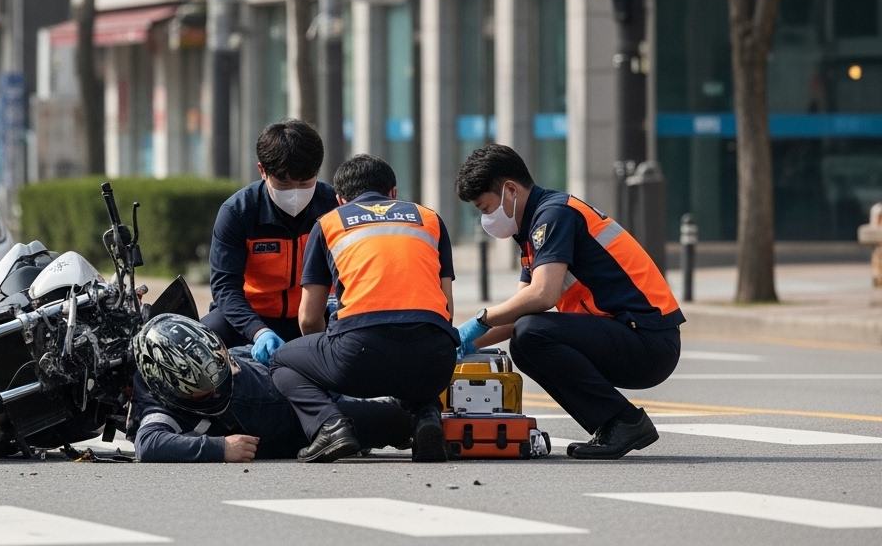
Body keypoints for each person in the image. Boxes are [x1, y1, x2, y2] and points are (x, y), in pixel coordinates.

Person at [453, 144, 683, 460]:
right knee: (524, 338)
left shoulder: (554, 215)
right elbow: (521, 308)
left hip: (648, 340)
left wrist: (477, 321)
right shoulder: (534, 226)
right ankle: (613, 423)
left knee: (531, 333)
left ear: (510, 189)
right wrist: (457, 344)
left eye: (485, 207)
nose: (486, 218)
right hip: (629, 336)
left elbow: (543, 295)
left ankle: (624, 421)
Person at [269, 154, 458, 464]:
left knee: (281, 361)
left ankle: (330, 426)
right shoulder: (430, 219)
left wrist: (329, 361)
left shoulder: (329, 224)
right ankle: (426, 418)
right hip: (435, 363)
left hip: (359, 359)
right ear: (394, 193)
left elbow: (308, 316)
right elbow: (446, 308)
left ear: (340, 199)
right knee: (418, 343)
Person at [128, 314, 413, 462]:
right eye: (206, 390)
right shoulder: (160, 406)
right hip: (300, 428)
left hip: (298, 383)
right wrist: (220, 448)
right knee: (399, 421)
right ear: (169, 389)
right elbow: (148, 445)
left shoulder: (213, 353)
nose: (218, 390)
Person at [204, 119, 337, 364]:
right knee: (200, 342)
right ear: (262, 170)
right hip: (252, 320)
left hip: (318, 317)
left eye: (305, 183)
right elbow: (225, 287)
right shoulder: (238, 212)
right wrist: (259, 332)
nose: (295, 193)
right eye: (284, 184)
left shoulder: (335, 208)